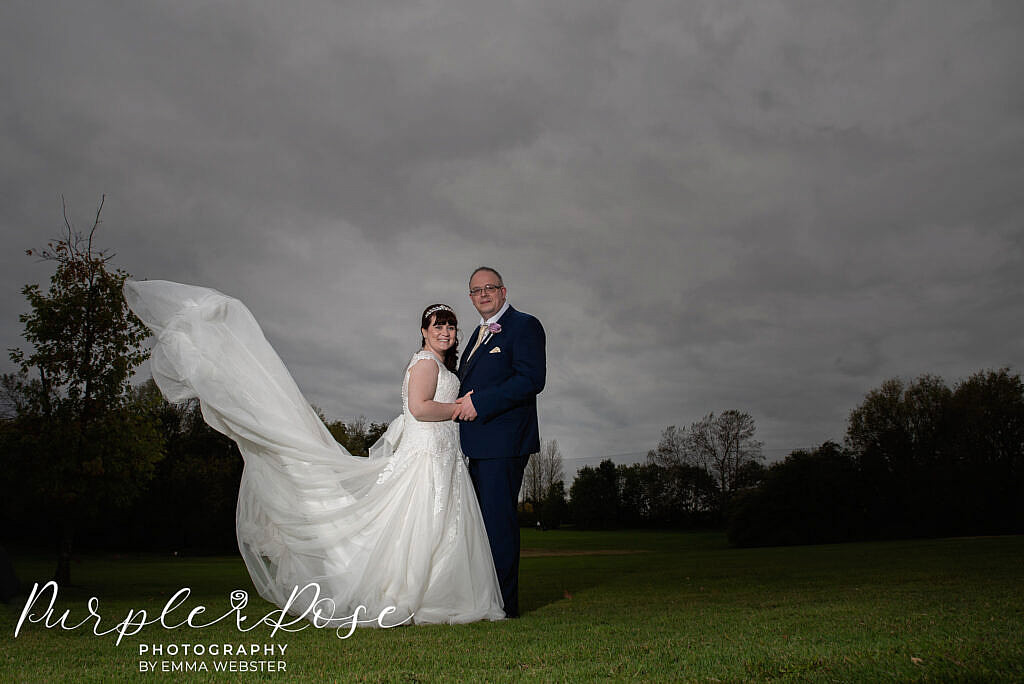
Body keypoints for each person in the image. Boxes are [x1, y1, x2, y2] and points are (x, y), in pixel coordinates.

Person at [123, 280, 504, 625]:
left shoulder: (439, 365)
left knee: (438, 529)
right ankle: (417, 596)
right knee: (421, 528)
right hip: (426, 461)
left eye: (450, 326)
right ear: (424, 332)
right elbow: (420, 409)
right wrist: (458, 408)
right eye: (438, 325)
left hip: (442, 457)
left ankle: (440, 595)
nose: (445, 331)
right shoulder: (424, 363)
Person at [453, 267, 546, 618]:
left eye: (489, 288)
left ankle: (504, 607)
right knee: (480, 529)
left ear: (503, 291)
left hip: (503, 443)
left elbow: (531, 379)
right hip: (475, 446)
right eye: (476, 290)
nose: (483, 294)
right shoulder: (477, 335)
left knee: (498, 524)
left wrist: (482, 402)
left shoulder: (525, 325)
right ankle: (483, 600)